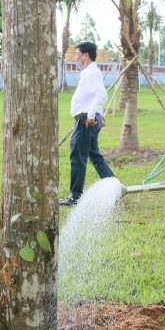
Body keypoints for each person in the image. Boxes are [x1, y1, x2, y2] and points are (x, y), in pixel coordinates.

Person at [60, 41, 115, 206]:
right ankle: (115, 188)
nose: (76, 58)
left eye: (77, 54)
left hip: (86, 121)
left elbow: (101, 94)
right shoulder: (90, 72)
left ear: (86, 55)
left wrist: (92, 114)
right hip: (89, 118)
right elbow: (94, 96)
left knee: (78, 158)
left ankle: (76, 196)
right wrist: (98, 112)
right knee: (95, 156)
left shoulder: (91, 72)